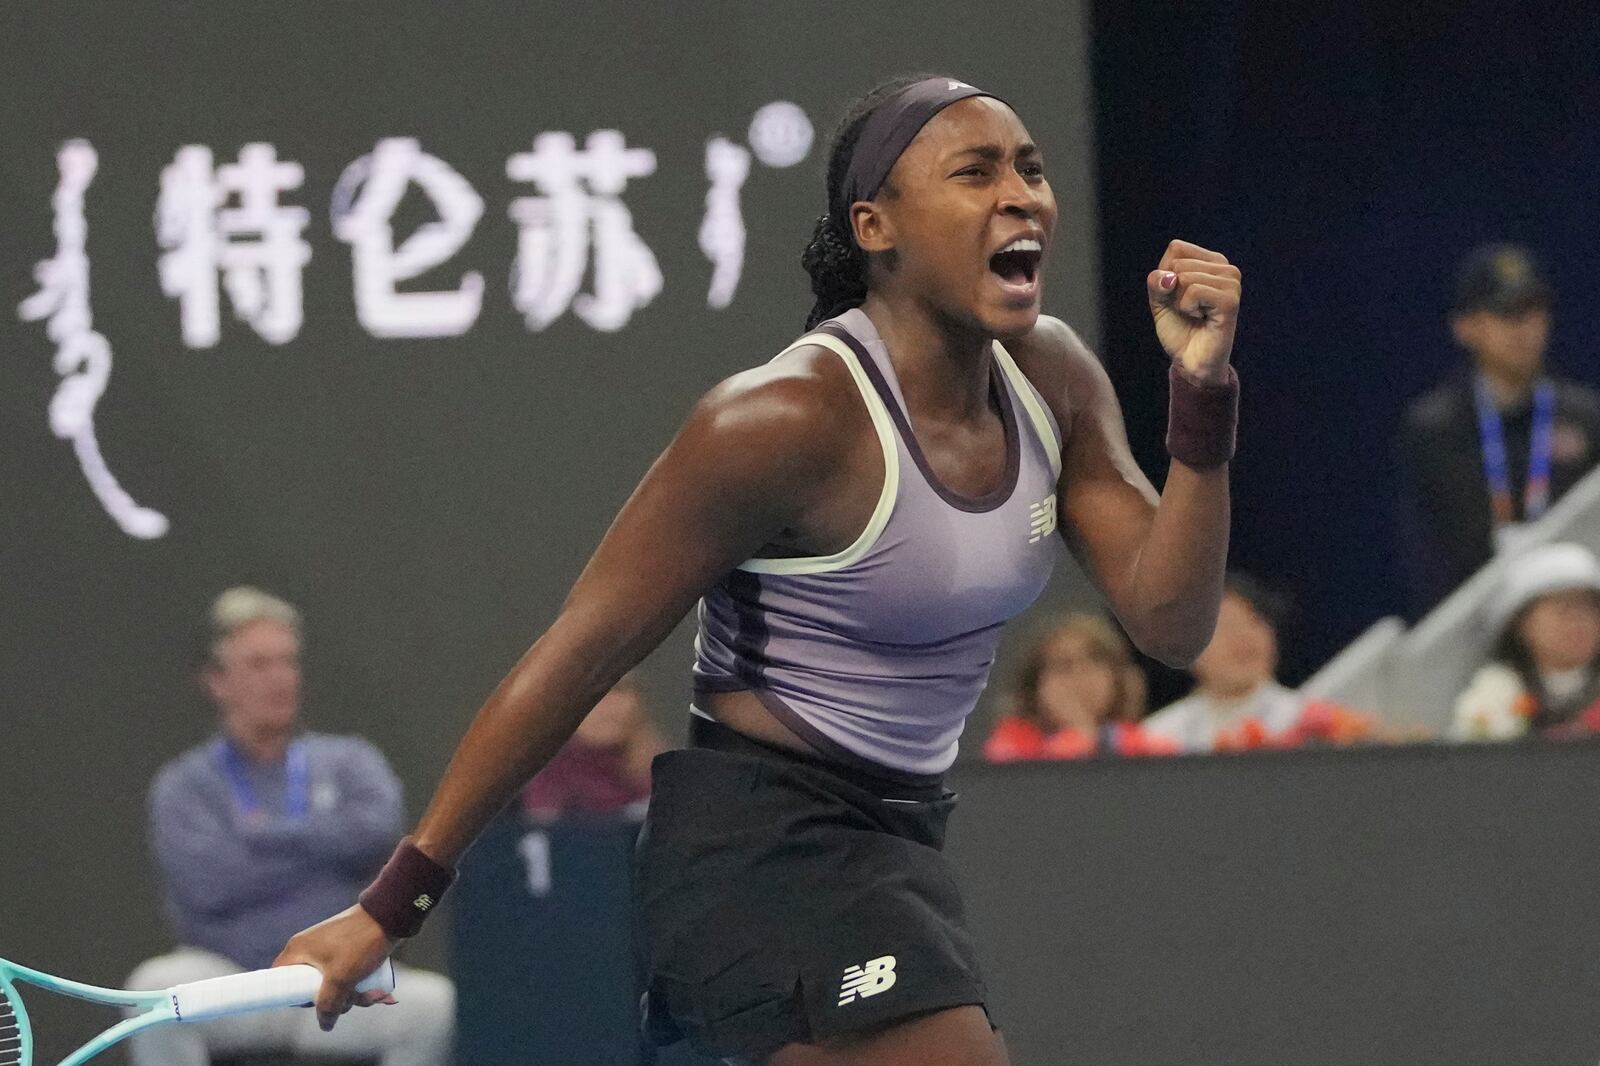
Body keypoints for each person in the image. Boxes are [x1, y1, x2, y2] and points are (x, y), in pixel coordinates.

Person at [275, 75, 1242, 1066]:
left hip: (898, 839)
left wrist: (1200, 397)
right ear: (876, 225)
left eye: (1030, 169)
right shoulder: (778, 422)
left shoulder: (1053, 378)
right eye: (975, 171)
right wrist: (391, 906)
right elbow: (578, 654)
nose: (1021, 193)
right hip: (756, 847)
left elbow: (1171, 623)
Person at [126, 587, 454, 1066]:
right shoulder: (185, 785)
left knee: (435, 1005)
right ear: (218, 682)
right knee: (153, 991)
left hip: (340, 979)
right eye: (259, 664)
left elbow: (380, 833)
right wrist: (327, 863)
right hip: (233, 981)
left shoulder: (351, 761)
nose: (280, 678)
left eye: (288, 662)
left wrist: (262, 837)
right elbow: (208, 885)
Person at [1398, 244, 1600, 612]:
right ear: (1465, 327)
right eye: (1506, 313)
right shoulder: (1435, 429)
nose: (1523, 327)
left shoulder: (1585, 415)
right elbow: (1425, 552)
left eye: (1533, 310)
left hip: (1578, 619)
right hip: (1476, 624)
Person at [1143, 575, 1379, 753]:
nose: (1244, 638)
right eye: (1225, 626)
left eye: (1254, 621)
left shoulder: (1318, 726)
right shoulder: (1157, 737)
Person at [1451, 542, 1600, 740]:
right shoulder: (1497, 692)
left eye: (1589, 607)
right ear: (1522, 622)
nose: (1578, 621)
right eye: (1563, 608)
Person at [983, 615, 1174, 759]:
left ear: (1116, 678)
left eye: (1094, 662)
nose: (1079, 677)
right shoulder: (1010, 742)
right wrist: (1079, 731)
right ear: (1035, 685)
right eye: (1064, 666)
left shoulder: (1146, 747)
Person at [519, 672, 665, 820]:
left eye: (619, 690)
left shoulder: (665, 776)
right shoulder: (541, 781)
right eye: (594, 693)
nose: (608, 705)